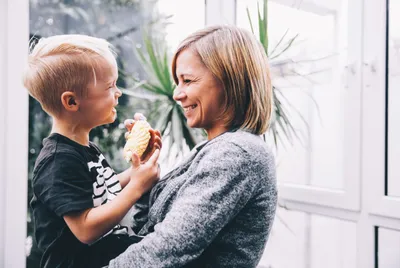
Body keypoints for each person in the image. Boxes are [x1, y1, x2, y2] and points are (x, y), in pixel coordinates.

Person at [108, 25, 277, 268]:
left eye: (187, 81)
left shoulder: (236, 153)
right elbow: (148, 228)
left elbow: (169, 248)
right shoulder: (215, 148)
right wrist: (143, 172)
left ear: (229, 80)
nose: (177, 94)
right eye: (178, 82)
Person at [23, 34, 162, 268]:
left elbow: (100, 191)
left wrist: (138, 169)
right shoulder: (57, 160)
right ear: (72, 102)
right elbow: (86, 229)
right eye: (110, 86)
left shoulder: (84, 149)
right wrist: (137, 187)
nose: (118, 93)